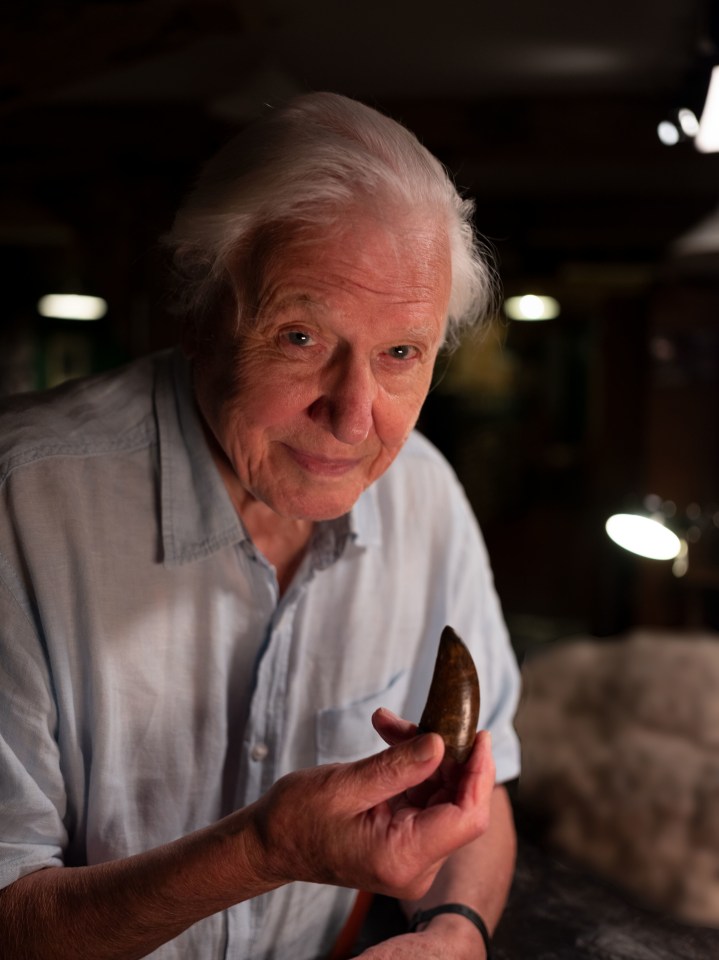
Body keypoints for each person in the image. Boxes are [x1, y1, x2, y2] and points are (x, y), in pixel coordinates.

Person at [0, 92, 521, 959]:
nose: (355, 418)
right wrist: (261, 852)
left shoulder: (424, 490)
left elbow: (485, 787)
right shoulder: (20, 502)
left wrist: (453, 934)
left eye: (400, 354)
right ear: (201, 315)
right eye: (300, 338)